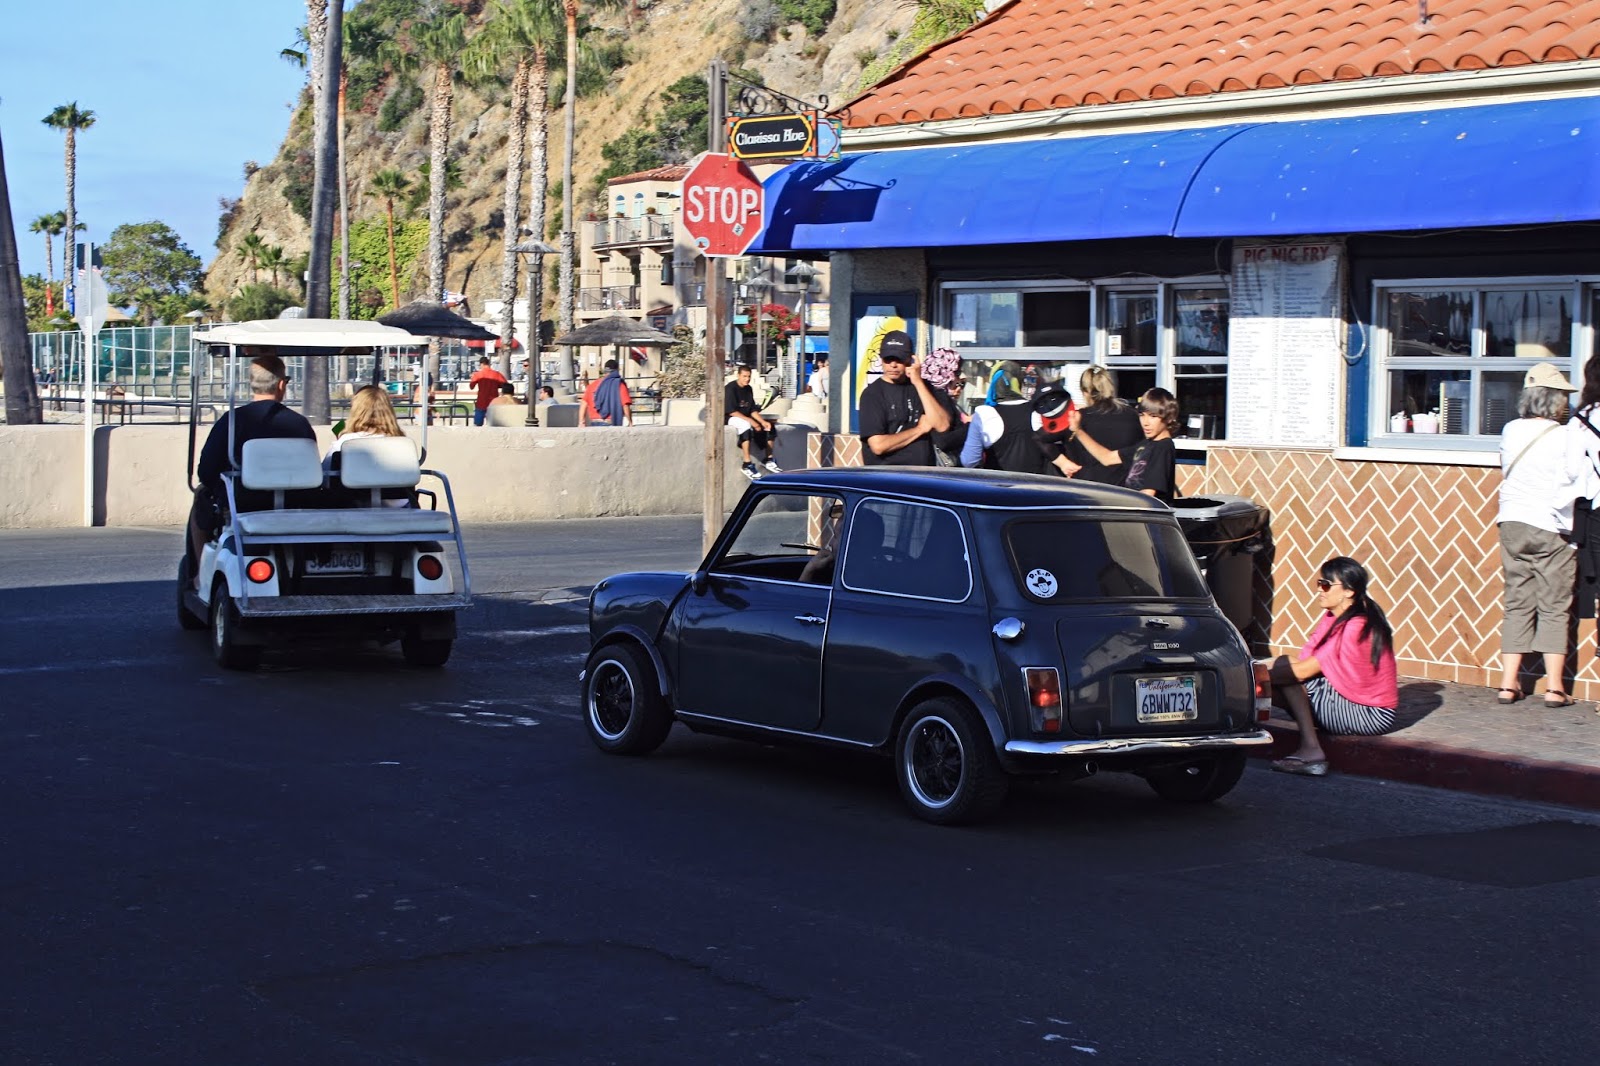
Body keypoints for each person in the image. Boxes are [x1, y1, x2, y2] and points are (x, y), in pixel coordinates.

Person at [1257, 557, 1400, 775]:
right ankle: (1245, 701)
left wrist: (1248, 679)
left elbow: (1303, 672)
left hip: (1371, 714)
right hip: (1350, 702)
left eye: (1326, 585)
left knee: (1292, 679)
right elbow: (1304, 657)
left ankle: (1311, 750)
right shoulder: (1335, 616)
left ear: (1348, 591)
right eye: (1319, 584)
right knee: (1286, 664)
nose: (1320, 590)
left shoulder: (1356, 626)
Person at [1496, 362, 1583, 707]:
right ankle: (1555, 688)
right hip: (1550, 524)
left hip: (1512, 522)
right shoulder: (1565, 435)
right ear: (1554, 400)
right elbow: (1574, 476)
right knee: (1553, 606)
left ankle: (1507, 684)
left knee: (1516, 602)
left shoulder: (1509, 429)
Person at [186, 354, 316, 585]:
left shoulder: (232, 421)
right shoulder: (299, 423)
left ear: (251, 383)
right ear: (281, 384)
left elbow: (206, 472)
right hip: (296, 501)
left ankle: (199, 576)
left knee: (201, 496)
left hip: (244, 502)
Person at [1067, 387, 1180, 502]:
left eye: (1153, 416)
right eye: (1142, 415)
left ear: (1169, 418)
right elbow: (1107, 458)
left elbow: (1148, 496)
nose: (1145, 422)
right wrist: (1078, 431)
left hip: (1147, 516)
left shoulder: (1163, 447)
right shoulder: (1146, 445)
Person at [857, 330, 950, 466]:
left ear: (910, 360)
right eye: (888, 359)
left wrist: (918, 382)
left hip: (922, 476)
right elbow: (878, 446)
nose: (893, 365)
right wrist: (919, 429)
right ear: (881, 359)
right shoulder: (872, 394)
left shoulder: (923, 387)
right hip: (887, 477)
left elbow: (942, 425)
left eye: (899, 359)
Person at [959, 361, 1057, 475]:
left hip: (997, 487)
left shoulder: (984, 414)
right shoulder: (1038, 410)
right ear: (1019, 383)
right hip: (1036, 487)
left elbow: (969, 461)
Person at [323, 385, 412, 508]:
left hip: (354, 507)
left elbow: (325, 476)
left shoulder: (344, 443)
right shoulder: (403, 444)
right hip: (399, 507)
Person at [1063, 366, 1143, 484]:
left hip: (1087, 486)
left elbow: (1041, 437)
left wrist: (1063, 463)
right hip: (1124, 487)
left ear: (1085, 392)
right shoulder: (1132, 415)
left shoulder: (1080, 418)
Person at [726, 364, 780, 479]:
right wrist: (751, 421)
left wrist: (761, 421)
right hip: (730, 418)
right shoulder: (730, 389)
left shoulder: (748, 389)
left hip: (744, 416)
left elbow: (752, 409)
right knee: (745, 426)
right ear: (738, 375)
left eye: (749, 376)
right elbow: (731, 411)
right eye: (744, 376)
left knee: (769, 426)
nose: (747, 379)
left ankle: (769, 459)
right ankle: (747, 463)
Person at [919, 347, 967, 467]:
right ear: (945, 371)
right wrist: (971, 427)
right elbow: (943, 440)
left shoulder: (926, 394)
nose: (958, 378)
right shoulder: (938, 398)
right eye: (956, 372)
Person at [581, 359, 632, 427]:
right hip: (610, 422)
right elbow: (625, 405)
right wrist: (630, 422)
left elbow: (584, 403)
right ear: (616, 370)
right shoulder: (619, 385)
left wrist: (581, 422)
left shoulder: (593, 385)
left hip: (594, 423)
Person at [468, 356, 508, 426]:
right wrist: (497, 385)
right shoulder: (496, 374)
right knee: (493, 425)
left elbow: (471, 386)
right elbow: (506, 385)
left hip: (481, 402)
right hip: (493, 403)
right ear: (488, 363)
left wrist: (472, 378)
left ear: (481, 364)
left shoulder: (478, 375)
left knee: (477, 426)